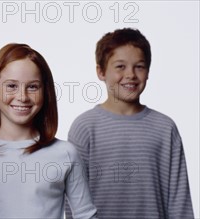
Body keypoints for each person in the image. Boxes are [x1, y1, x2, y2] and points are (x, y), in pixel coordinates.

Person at [0, 43, 97, 218]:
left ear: (46, 92)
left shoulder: (65, 154)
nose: (22, 97)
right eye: (11, 86)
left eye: (33, 87)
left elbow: (86, 215)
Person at [66, 28, 194, 218]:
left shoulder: (165, 129)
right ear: (101, 72)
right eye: (120, 66)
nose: (131, 75)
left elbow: (179, 200)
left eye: (139, 66)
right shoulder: (84, 127)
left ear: (148, 72)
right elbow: (74, 201)